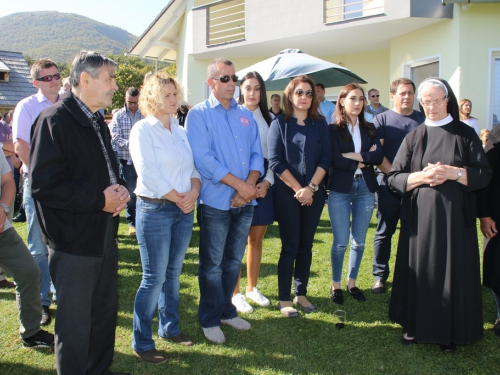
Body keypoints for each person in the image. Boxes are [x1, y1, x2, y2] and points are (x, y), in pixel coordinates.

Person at [30, 50, 130, 375]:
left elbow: (104, 171)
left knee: (103, 317)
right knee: (74, 328)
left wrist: (119, 190)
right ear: (85, 80)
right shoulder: (53, 121)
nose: (115, 86)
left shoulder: (97, 119)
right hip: (73, 244)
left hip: (103, 238)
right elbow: (44, 186)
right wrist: (99, 200)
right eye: (109, 78)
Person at [388, 78, 491, 352]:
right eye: (426, 101)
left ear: (448, 101)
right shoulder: (414, 135)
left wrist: (454, 173)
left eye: (436, 100)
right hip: (420, 221)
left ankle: (451, 331)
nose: (431, 106)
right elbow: (394, 178)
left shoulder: (465, 134)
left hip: (456, 222)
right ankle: (415, 326)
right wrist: (420, 177)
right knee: (421, 273)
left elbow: (484, 174)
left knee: (452, 274)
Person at [186, 58, 264, 344]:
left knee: (233, 261)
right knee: (212, 264)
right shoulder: (198, 115)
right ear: (211, 83)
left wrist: (249, 187)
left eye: (234, 78)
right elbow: (205, 161)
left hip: (244, 201)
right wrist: (241, 186)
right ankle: (209, 317)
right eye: (225, 79)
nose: (232, 84)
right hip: (216, 202)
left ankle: (226, 311)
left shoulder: (245, 115)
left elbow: (257, 154)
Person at [129, 72, 200, 363]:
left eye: (175, 94)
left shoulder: (181, 131)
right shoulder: (143, 130)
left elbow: (193, 169)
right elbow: (147, 173)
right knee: (153, 278)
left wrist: (192, 192)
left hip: (183, 210)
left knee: (173, 275)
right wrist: (179, 198)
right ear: (152, 98)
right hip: (155, 209)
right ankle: (141, 341)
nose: (173, 99)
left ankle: (169, 328)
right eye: (166, 95)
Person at [268, 75, 331, 317]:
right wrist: (299, 189)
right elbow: (275, 162)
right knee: (290, 246)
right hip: (287, 194)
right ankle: (284, 298)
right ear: (290, 95)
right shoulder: (279, 124)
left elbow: (326, 158)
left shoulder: (320, 124)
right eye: (299, 93)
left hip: (314, 194)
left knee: (306, 245)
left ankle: (300, 293)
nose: (304, 97)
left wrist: (311, 188)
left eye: (308, 93)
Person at [12, 58, 61, 326]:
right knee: (38, 245)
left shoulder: (67, 104)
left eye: (56, 76)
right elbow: (21, 147)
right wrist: (43, 179)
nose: (53, 81)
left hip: (64, 187)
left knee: (60, 241)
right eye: (46, 78)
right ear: (35, 83)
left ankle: (58, 293)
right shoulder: (27, 106)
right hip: (39, 185)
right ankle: (42, 300)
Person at [327, 83, 383, 305]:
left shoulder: (369, 128)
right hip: (341, 189)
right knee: (341, 242)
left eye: (361, 99)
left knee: (359, 242)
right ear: (342, 101)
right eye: (353, 98)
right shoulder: (332, 130)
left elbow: (378, 156)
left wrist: (355, 156)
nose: (358, 103)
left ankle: (352, 282)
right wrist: (362, 159)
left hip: (365, 189)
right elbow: (335, 159)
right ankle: (336, 285)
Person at [371, 78, 425, 294]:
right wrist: (396, 176)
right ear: (392, 96)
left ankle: (414, 275)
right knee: (385, 232)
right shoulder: (382, 120)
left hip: (419, 187)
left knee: (417, 233)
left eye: (410, 93)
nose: (407, 97)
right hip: (388, 185)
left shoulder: (423, 120)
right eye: (402, 93)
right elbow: (378, 155)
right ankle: (379, 276)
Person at [0, 151, 54, 348]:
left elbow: (7, 181)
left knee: (29, 272)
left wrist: (4, 208)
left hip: (2, 231)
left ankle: (31, 333)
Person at [231, 71, 274, 314]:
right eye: (248, 88)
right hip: (238, 181)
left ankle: (251, 288)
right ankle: (235, 293)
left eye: (257, 88)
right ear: (241, 90)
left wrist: (266, 182)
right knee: (236, 240)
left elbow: (275, 156)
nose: (252, 93)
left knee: (256, 239)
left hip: (263, 184)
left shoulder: (270, 119)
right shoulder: (232, 115)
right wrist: (243, 185)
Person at [109, 87, 144, 236]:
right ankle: (132, 223)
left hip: (144, 160)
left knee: (144, 191)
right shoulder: (119, 116)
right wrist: (130, 143)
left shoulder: (145, 114)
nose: (133, 105)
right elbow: (115, 135)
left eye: (136, 102)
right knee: (131, 192)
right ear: (125, 100)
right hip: (128, 161)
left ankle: (143, 221)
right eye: (130, 102)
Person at [477, 124, 500, 337]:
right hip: (497, 215)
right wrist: (484, 215)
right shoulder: (497, 134)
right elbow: (485, 177)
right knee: (497, 267)